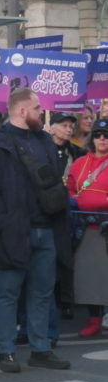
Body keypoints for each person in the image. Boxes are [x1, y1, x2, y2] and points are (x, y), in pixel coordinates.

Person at [0, 88, 71, 373]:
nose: (41, 112)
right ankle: (6, 351)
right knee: (8, 293)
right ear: (21, 111)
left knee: (42, 293)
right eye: (36, 107)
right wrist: (4, 223)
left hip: (45, 228)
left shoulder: (44, 141)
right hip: (14, 230)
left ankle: (40, 349)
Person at [67, 118, 108, 338]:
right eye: (99, 134)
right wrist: (73, 200)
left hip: (106, 225)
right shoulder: (79, 163)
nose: (102, 138)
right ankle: (94, 319)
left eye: (107, 134)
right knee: (90, 276)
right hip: (86, 225)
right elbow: (70, 188)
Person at [49, 112, 85, 320]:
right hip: (48, 208)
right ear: (51, 127)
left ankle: (66, 300)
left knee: (66, 257)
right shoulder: (42, 150)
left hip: (69, 210)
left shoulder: (77, 152)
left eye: (71, 126)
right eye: (64, 125)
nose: (69, 129)